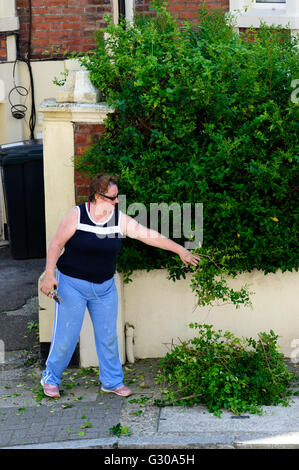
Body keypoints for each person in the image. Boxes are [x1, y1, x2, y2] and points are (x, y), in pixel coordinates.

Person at [40, 174, 200, 398]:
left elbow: (148, 235)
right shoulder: (77, 215)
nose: (117, 202)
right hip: (72, 285)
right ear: (97, 196)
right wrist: (49, 275)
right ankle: (51, 378)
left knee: (108, 337)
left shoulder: (119, 219)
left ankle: (112, 382)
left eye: (117, 197)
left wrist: (180, 250)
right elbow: (56, 244)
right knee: (66, 337)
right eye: (112, 197)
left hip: (104, 289)